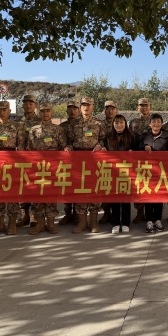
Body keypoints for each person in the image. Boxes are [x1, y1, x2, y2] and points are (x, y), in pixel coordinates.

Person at [26, 102, 72, 235]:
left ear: (52, 112)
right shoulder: (34, 130)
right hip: (38, 167)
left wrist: (67, 149)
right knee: (38, 195)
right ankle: (40, 223)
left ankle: (51, 223)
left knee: (51, 195)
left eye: (47, 111)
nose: (45, 113)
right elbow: (29, 149)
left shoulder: (58, 130)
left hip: (53, 167)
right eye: (42, 111)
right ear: (39, 113)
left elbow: (63, 146)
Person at [0, 101, 25, 235]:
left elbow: (21, 147)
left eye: (4, 109)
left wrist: (19, 164)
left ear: (9, 111)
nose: (2, 112)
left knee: (12, 195)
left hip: (12, 164)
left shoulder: (17, 127)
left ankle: (12, 224)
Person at [69, 96, 107, 233]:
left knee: (94, 189)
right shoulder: (74, 124)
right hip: (78, 160)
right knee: (80, 190)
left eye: (88, 105)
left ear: (93, 107)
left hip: (93, 160)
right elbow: (69, 141)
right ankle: (82, 222)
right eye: (83, 105)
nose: (86, 107)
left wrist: (100, 145)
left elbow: (103, 139)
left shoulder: (99, 123)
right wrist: (68, 147)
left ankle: (93, 222)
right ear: (80, 107)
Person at [140, 113, 168, 233]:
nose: (156, 124)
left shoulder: (167, 136)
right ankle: (149, 220)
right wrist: (144, 146)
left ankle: (158, 219)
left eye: (158, 122)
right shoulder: (145, 136)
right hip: (147, 171)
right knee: (148, 195)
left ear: (162, 124)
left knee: (159, 195)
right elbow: (137, 147)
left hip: (161, 171)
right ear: (150, 124)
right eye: (153, 122)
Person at [105, 114, 135, 233]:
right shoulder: (109, 137)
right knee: (114, 198)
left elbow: (138, 150)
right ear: (113, 124)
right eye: (116, 123)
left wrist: (132, 151)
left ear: (125, 124)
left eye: (121, 122)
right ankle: (115, 223)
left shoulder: (131, 136)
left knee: (126, 198)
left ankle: (126, 222)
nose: (119, 125)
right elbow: (105, 150)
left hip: (126, 171)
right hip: (113, 171)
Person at [15, 95, 42, 228]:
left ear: (35, 105)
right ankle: (24, 215)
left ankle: (33, 216)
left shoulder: (40, 120)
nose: (28, 106)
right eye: (25, 103)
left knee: (34, 186)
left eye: (31, 103)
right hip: (20, 159)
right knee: (22, 186)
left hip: (35, 159)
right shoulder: (17, 121)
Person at [129, 98, 152, 224]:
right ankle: (139, 212)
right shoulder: (133, 122)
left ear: (150, 107)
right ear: (138, 108)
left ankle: (150, 212)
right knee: (138, 185)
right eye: (141, 105)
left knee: (150, 185)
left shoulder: (155, 121)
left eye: (146, 105)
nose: (144, 107)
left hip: (152, 159)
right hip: (137, 158)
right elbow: (130, 139)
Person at [58, 100, 81, 226]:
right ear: (66, 110)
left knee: (77, 186)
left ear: (78, 110)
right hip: (65, 161)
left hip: (80, 161)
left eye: (75, 108)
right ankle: (67, 213)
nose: (72, 111)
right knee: (66, 186)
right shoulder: (62, 126)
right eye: (70, 108)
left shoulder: (82, 124)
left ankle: (77, 214)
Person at [99, 100, 119, 225]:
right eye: (107, 109)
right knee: (105, 187)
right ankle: (106, 212)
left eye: (112, 109)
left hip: (118, 160)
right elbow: (98, 139)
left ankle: (117, 213)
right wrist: (101, 146)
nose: (110, 111)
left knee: (117, 187)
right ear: (104, 111)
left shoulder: (120, 122)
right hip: (104, 160)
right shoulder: (99, 124)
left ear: (116, 110)